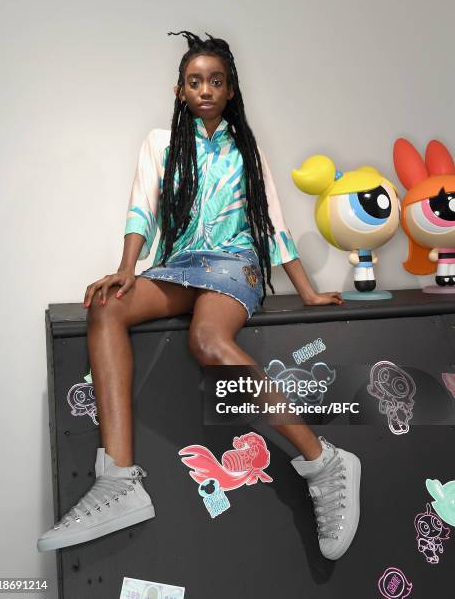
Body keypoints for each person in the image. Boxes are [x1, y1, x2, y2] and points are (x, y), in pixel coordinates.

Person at [37, 30, 361, 561]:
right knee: (106, 306)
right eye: (195, 81)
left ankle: (323, 460)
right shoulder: (160, 143)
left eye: (216, 81)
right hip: (182, 265)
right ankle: (118, 481)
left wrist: (309, 292)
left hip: (236, 265)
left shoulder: (244, 148)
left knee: (208, 342)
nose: (205, 89)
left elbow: (273, 224)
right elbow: (141, 207)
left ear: (230, 89)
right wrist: (125, 269)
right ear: (180, 89)